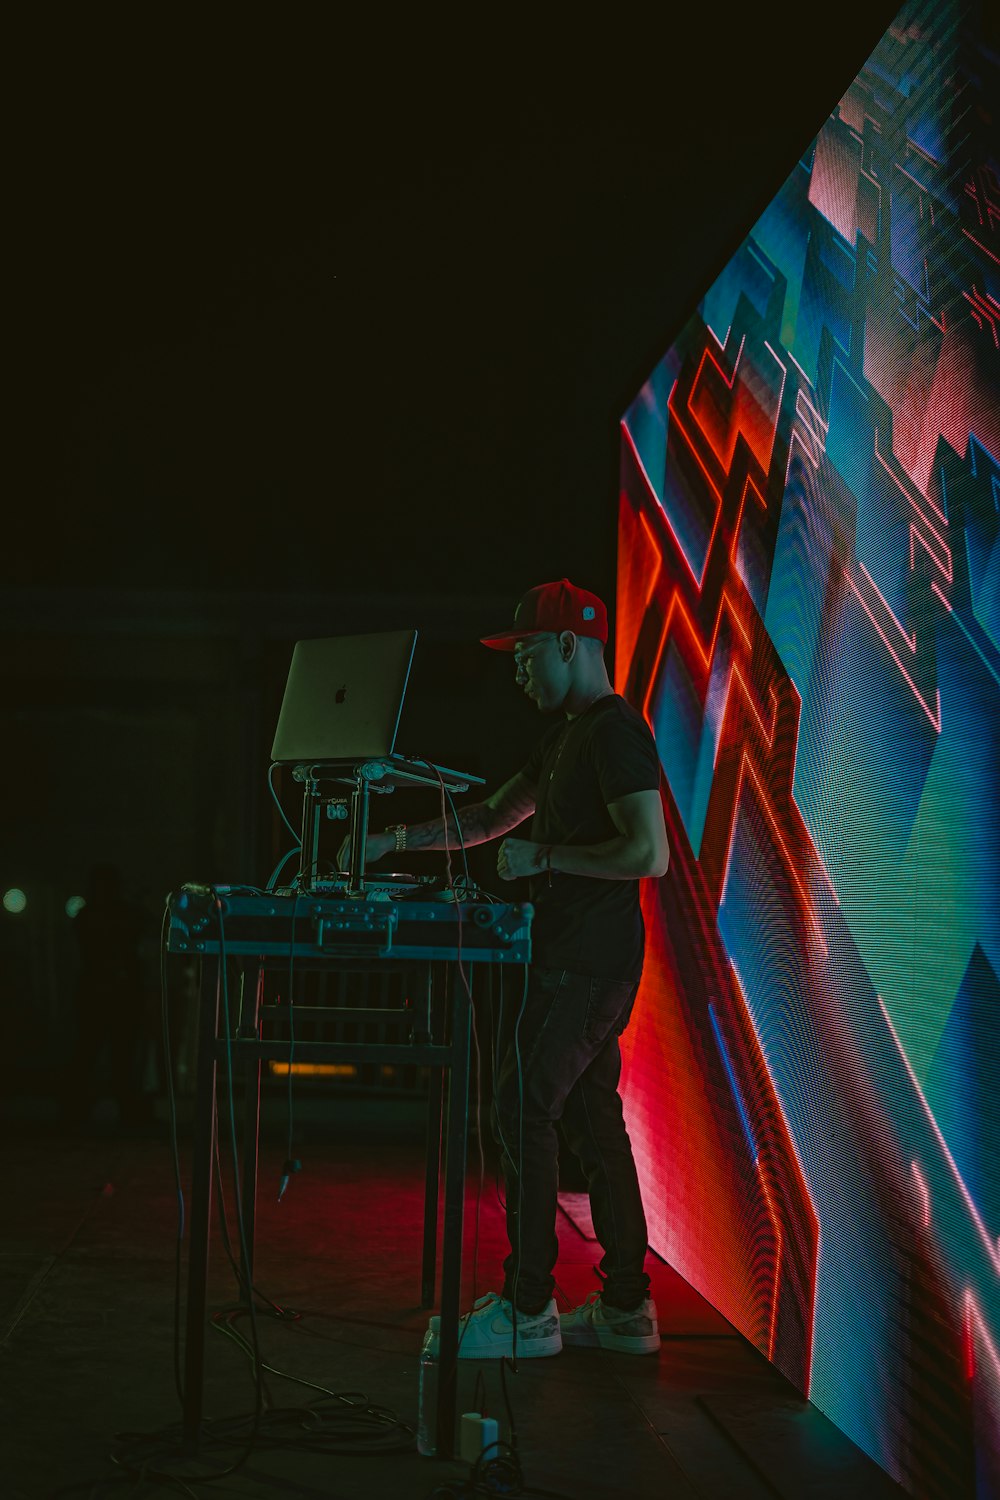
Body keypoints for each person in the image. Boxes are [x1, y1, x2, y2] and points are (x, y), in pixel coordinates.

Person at [357, 579, 669, 1358]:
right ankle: (627, 1311)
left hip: (585, 966)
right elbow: (492, 816)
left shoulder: (612, 733)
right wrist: (391, 842)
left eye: (527, 654)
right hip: (582, 962)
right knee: (594, 1123)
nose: (518, 671)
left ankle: (529, 1310)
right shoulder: (565, 738)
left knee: (520, 1107)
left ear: (568, 645)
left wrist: (547, 855)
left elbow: (650, 852)